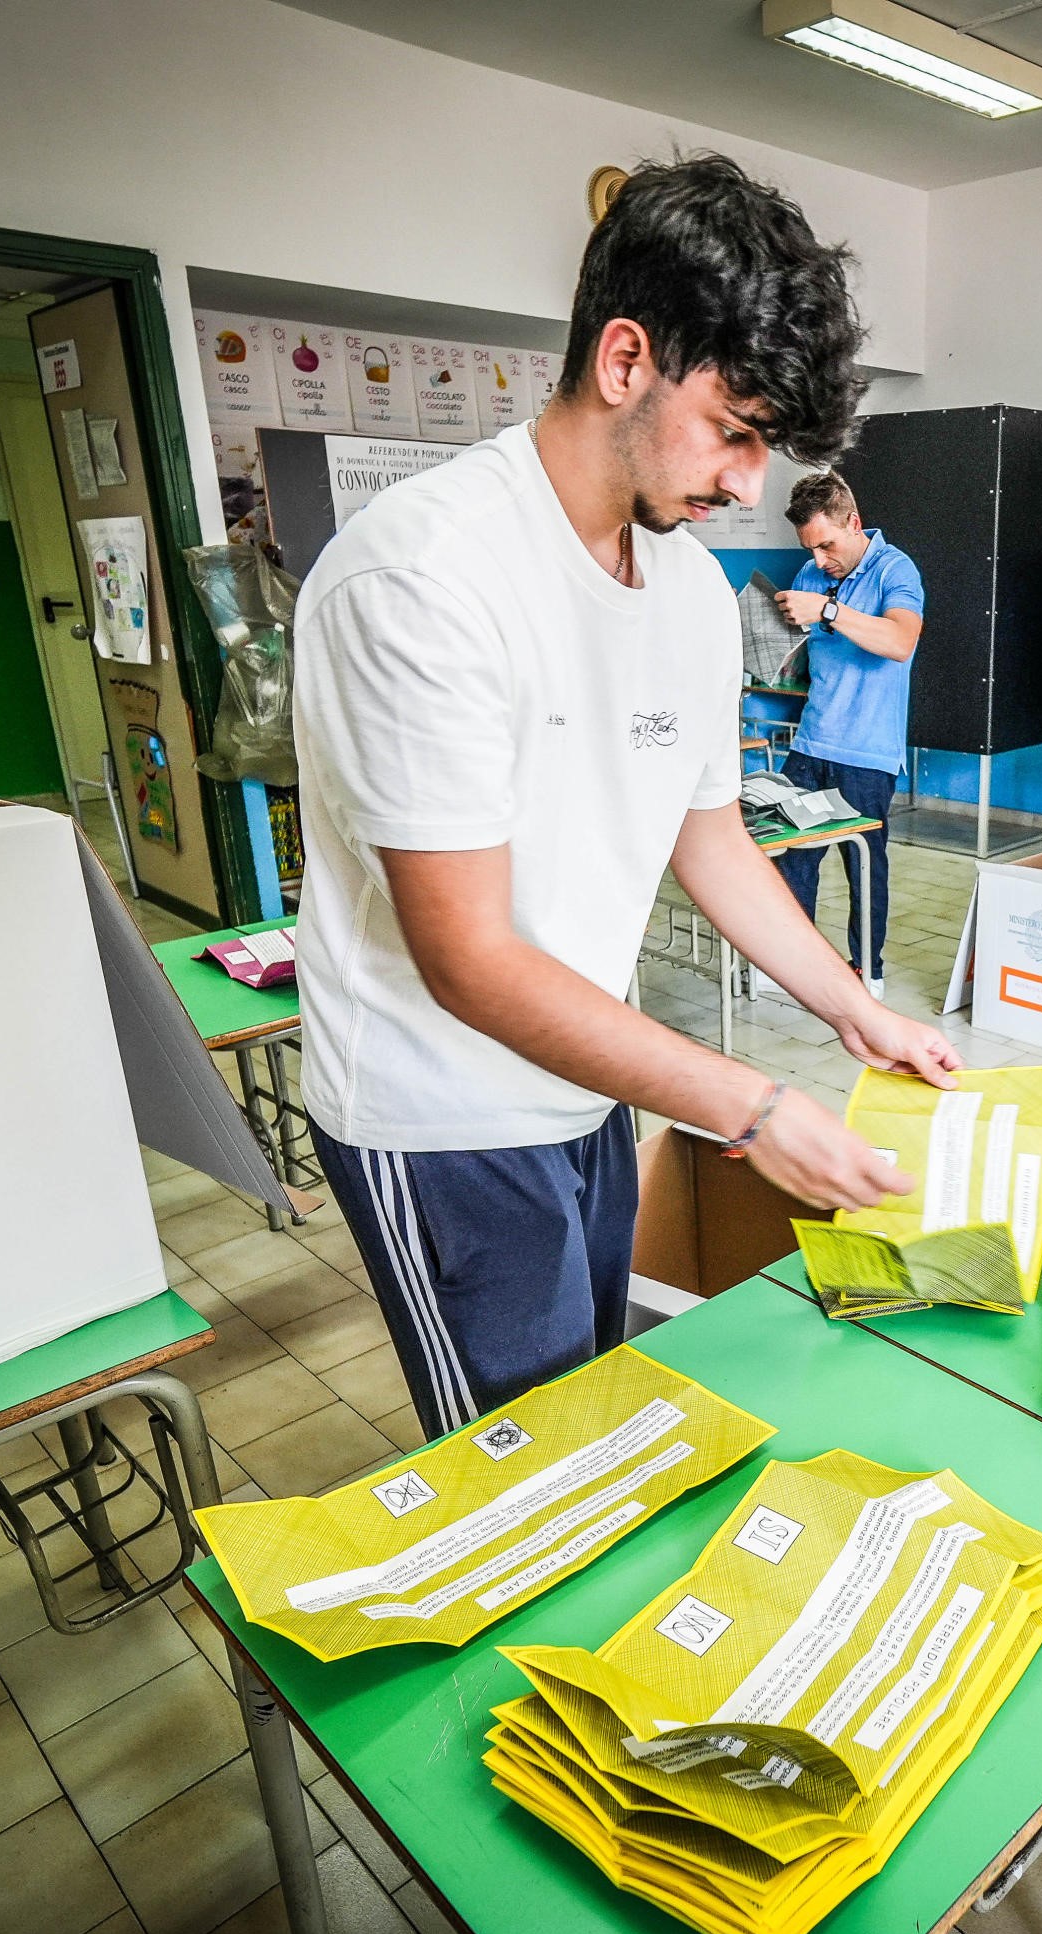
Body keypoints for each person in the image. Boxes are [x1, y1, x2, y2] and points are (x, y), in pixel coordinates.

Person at [291, 154, 960, 1440]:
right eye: (738, 431)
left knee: (591, 1413)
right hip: (443, 1118)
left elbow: (711, 840)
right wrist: (754, 1108)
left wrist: (851, 1007)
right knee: (517, 1469)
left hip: (587, 1085)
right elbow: (470, 958)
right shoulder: (426, 577)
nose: (752, 486)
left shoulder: (692, 595)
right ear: (623, 360)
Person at [769, 469, 923, 995]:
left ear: (854, 523)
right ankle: (792, 969)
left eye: (827, 545)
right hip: (811, 741)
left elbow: (901, 641)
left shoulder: (895, 570)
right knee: (792, 859)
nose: (818, 561)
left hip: (866, 751)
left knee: (863, 865)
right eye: (810, 549)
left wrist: (829, 610)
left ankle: (867, 972)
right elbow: (805, 655)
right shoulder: (813, 574)